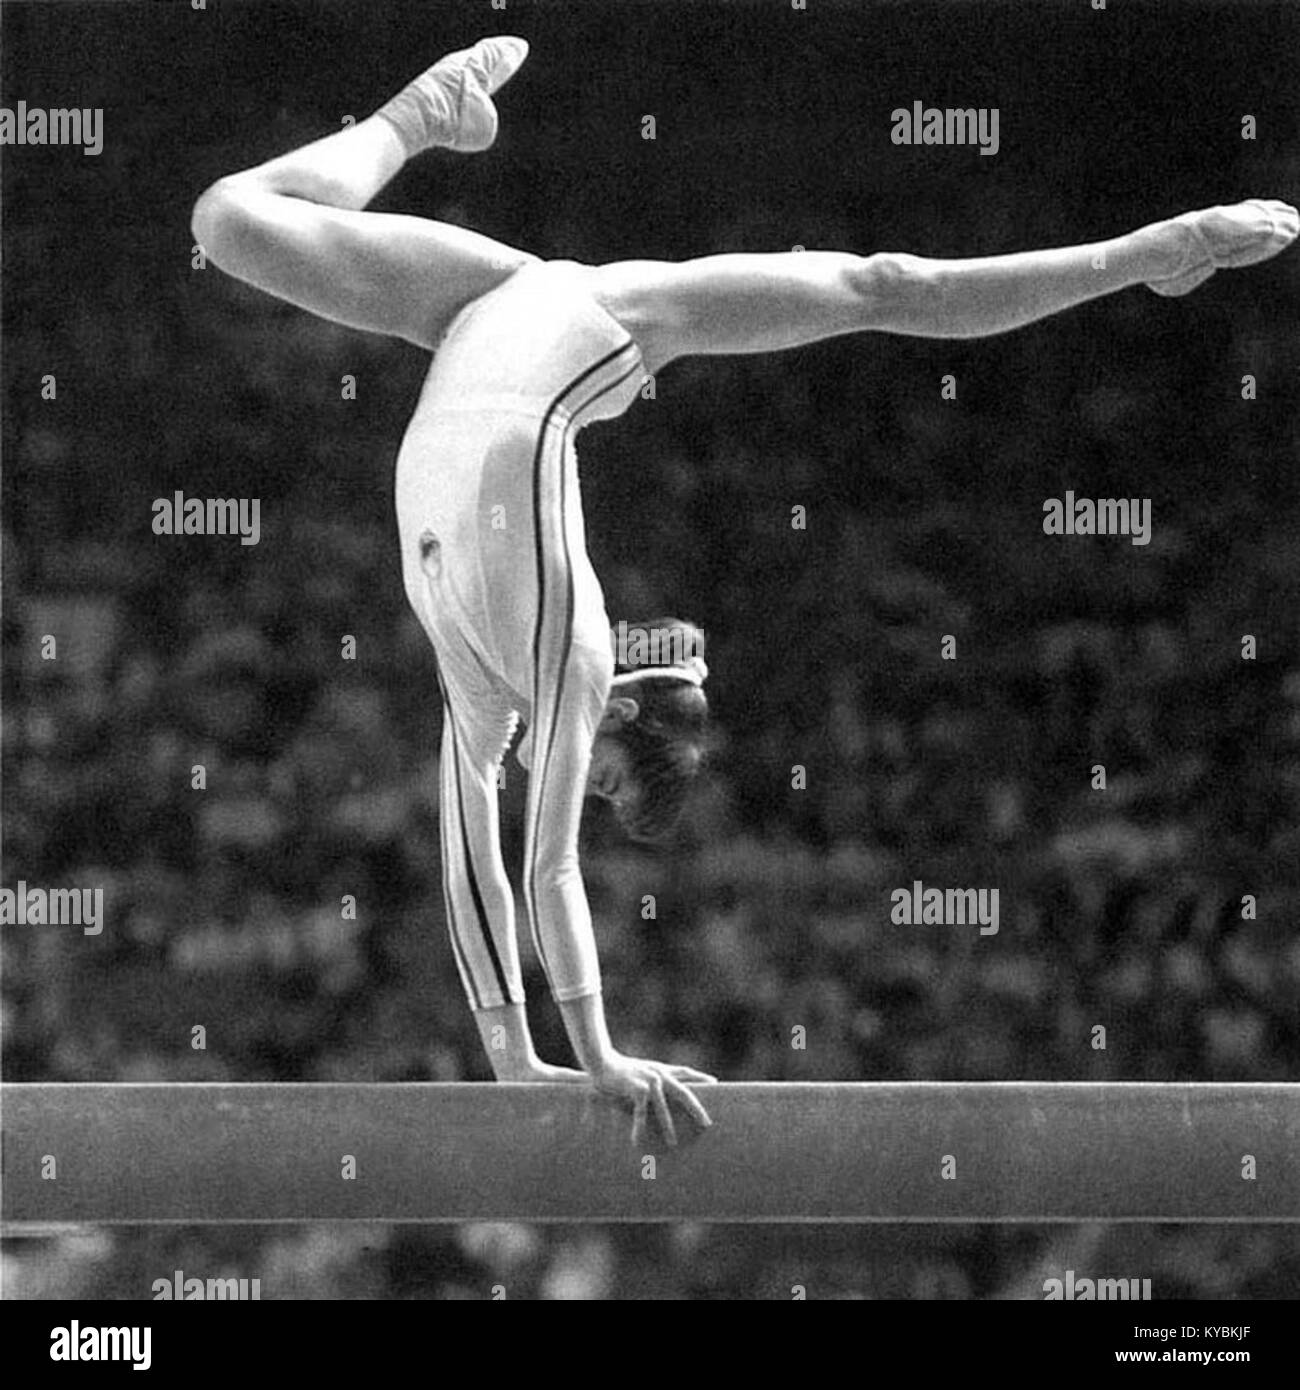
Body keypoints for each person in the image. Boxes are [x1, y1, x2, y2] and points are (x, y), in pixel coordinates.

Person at [191, 36, 1297, 1145]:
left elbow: (470, 854)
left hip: (480, 316)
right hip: (607, 322)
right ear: (618, 712)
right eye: (610, 785)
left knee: (227, 220)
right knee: (884, 285)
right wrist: (599, 1050)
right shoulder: (570, 667)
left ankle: (423, 117)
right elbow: (548, 862)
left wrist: (514, 1058)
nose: (580, 792)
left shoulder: (488, 696)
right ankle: (1150, 250)